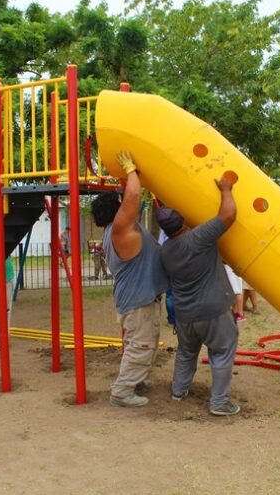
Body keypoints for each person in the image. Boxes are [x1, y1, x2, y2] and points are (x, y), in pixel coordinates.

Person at [90, 152, 169, 408]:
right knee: (141, 344)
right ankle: (122, 392)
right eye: (120, 202)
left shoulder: (117, 230)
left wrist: (130, 176)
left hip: (139, 297)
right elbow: (133, 197)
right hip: (137, 300)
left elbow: (132, 198)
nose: (125, 201)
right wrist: (129, 169)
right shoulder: (121, 230)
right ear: (117, 210)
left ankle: (137, 379)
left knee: (144, 342)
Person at [158, 174, 240, 416]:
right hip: (212, 310)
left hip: (185, 314)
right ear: (183, 221)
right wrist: (226, 189)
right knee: (223, 350)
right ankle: (219, 402)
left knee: (186, 352)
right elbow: (228, 215)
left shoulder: (165, 252)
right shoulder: (199, 237)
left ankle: (178, 391)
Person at [157, 230, 176, 326]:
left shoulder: (164, 230)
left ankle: (172, 319)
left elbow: (160, 245)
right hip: (180, 260)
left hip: (168, 261)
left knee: (169, 294)